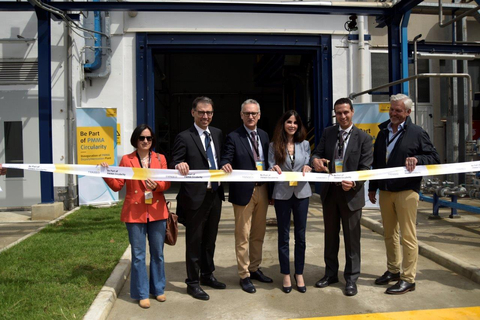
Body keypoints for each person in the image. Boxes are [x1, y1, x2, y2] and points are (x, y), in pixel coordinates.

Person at [368, 93, 440, 294]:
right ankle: (393, 270)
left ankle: (408, 278)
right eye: (392, 109)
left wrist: (417, 158)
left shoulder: (417, 132)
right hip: (386, 190)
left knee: (408, 236)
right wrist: (373, 186)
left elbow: (434, 157)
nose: (393, 113)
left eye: (398, 110)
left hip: (407, 191)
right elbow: (378, 162)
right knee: (389, 234)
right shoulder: (383, 132)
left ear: (408, 112)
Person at [101, 124, 170, 309]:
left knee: (158, 254)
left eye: (148, 138)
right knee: (138, 255)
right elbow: (118, 185)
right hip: (134, 213)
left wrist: (158, 186)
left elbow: (167, 182)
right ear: (135, 140)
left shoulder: (160, 158)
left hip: (157, 212)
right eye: (142, 138)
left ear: (152, 140)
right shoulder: (126, 159)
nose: (145, 141)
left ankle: (158, 289)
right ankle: (141, 293)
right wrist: (106, 174)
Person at [311, 98, 373, 297]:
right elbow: (316, 154)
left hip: (351, 195)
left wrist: (354, 183)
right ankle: (330, 274)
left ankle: (351, 279)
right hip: (330, 194)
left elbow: (365, 168)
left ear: (352, 112)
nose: (343, 116)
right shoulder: (329, 133)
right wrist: (316, 161)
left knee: (352, 239)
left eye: (346, 112)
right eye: (339, 113)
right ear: (335, 114)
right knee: (330, 236)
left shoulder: (363, 138)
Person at [171, 97, 226, 301]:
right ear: (192, 112)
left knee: (210, 240)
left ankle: (207, 275)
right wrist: (179, 164)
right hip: (195, 198)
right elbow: (176, 160)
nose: (205, 116)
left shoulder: (218, 134)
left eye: (209, 112)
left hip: (215, 196)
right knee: (194, 242)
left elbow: (223, 158)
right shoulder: (184, 137)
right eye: (202, 112)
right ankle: (192, 283)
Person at [220, 98, 273, 294]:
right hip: (243, 192)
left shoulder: (265, 136)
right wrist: (225, 163)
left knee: (258, 234)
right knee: (243, 235)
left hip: (263, 190)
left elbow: (269, 160)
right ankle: (244, 275)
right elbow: (226, 156)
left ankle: (255, 268)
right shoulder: (233, 137)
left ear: (259, 116)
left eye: (254, 113)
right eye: (247, 113)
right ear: (241, 115)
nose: (251, 117)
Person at [268, 110, 312, 294]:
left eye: (295, 122)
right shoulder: (273, 145)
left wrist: (308, 166)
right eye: (289, 122)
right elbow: (270, 164)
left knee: (300, 237)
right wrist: (272, 168)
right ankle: (286, 273)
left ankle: (299, 273)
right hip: (282, 194)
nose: (292, 125)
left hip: (302, 193)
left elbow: (308, 163)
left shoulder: (305, 145)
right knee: (283, 236)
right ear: (283, 124)